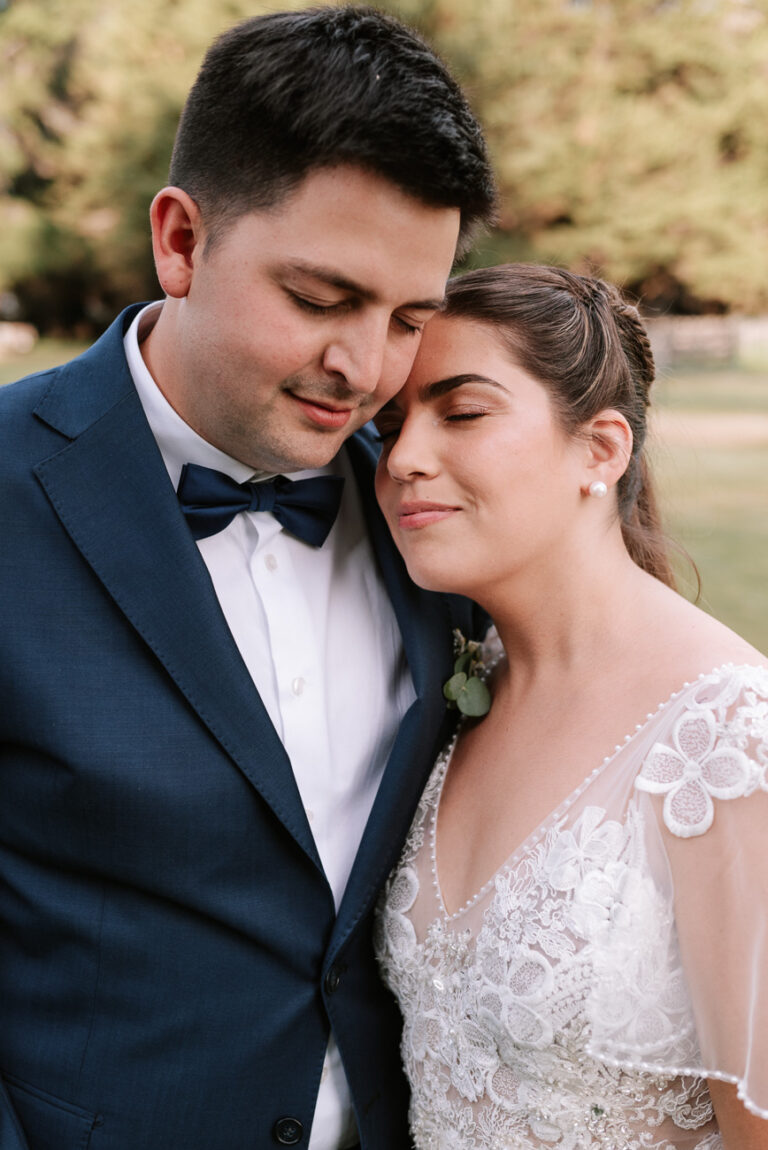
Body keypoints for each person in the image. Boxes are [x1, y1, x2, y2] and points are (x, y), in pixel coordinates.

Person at [0, 9, 496, 1149]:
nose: (364, 370)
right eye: (321, 300)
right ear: (181, 240)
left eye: (408, 318)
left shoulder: (431, 511)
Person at [374, 264, 768, 1149]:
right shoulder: (462, 690)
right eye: (391, 424)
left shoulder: (729, 739)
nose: (401, 459)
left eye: (461, 412)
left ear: (601, 448)